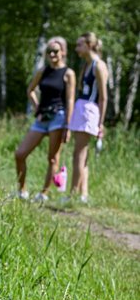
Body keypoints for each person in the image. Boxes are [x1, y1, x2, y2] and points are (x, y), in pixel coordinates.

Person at [14, 36, 75, 202]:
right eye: (49, 52)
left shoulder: (68, 74)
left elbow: (70, 101)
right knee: (20, 154)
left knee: (53, 158)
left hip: (59, 117)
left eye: (55, 51)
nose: (52, 54)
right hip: (42, 118)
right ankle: (22, 190)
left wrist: (68, 126)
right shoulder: (43, 71)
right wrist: (37, 108)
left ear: (62, 52)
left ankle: (44, 194)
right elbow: (30, 90)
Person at [68, 32, 108, 203]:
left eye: (79, 45)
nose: (77, 48)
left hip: (90, 110)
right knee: (82, 155)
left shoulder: (99, 66)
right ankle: (83, 194)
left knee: (79, 154)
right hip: (81, 107)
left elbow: (103, 97)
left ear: (89, 45)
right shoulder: (86, 65)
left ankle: (73, 194)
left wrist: (101, 123)